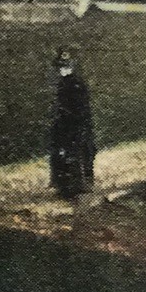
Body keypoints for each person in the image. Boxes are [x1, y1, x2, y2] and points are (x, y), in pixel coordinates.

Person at [49, 47, 96, 200]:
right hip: (65, 123)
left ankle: (79, 184)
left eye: (65, 66)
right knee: (61, 151)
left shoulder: (76, 84)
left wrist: (74, 120)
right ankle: (63, 184)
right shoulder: (63, 83)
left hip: (76, 123)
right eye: (61, 67)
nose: (63, 69)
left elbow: (81, 108)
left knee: (78, 151)